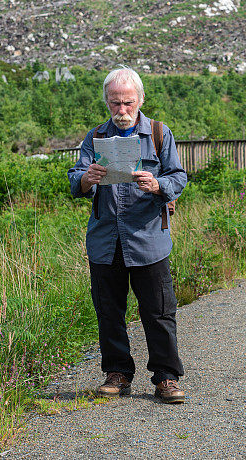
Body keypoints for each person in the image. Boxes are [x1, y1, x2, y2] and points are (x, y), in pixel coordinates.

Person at [67, 66, 188, 403]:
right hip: (106, 240)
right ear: (107, 102)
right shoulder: (94, 138)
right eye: (114, 103)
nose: (121, 110)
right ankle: (117, 373)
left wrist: (158, 184)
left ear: (140, 100)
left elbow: (179, 177)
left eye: (127, 103)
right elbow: (75, 179)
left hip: (148, 238)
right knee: (109, 312)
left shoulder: (160, 133)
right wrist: (87, 179)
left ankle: (166, 378)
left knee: (159, 312)